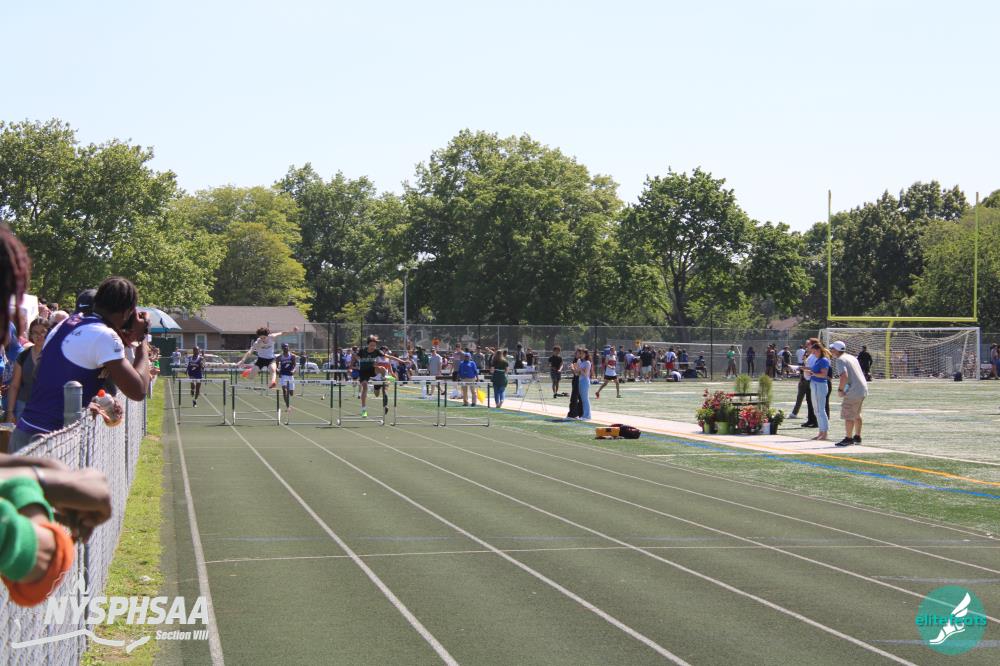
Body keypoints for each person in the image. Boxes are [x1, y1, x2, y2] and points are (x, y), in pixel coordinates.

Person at [13, 277, 152, 452]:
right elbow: (138, 391)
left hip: (25, 432)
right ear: (127, 312)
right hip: (52, 442)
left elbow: (38, 372)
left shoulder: (66, 323)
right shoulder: (105, 335)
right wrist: (142, 339)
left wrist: (83, 401)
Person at [6, 318, 49, 423]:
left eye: (43, 332)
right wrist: (10, 412)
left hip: (47, 406)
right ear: (31, 335)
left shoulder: (55, 355)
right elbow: (14, 385)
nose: (39, 335)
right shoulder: (23, 355)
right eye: (35, 332)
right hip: (24, 406)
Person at [829, 341, 869, 447]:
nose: (831, 350)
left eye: (832, 349)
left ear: (836, 350)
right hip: (862, 388)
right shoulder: (852, 357)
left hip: (853, 389)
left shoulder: (840, 360)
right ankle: (857, 436)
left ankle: (848, 438)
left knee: (848, 415)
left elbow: (844, 376)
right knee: (857, 414)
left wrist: (840, 390)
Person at [807, 342, 832, 441]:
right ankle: (821, 432)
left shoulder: (824, 360)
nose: (813, 354)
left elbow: (823, 374)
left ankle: (825, 433)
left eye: (814, 352)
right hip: (815, 384)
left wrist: (812, 373)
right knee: (816, 410)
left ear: (818, 350)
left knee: (821, 410)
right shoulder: (818, 360)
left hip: (820, 385)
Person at [277, 343, 297, 411]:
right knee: (284, 390)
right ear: (282, 348)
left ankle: (288, 403)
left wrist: (293, 370)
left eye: (287, 347)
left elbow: (295, 365)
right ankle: (288, 406)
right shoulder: (279, 357)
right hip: (283, 375)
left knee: (291, 393)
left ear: (288, 348)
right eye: (284, 347)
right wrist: (277, 370)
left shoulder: (292, 356)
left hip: (290, 376)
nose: (286, 348)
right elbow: (276, 366)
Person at [575, 349, 592, 419]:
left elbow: (586, 374)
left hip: (585, 381)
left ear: (586, 354)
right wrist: (575, 367)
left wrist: (580, 368)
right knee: (582, 399)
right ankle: (585, 415)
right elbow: (577, 373)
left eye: (582, 353)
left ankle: (587, 416)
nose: (581, 355)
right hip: (580, 381)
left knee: (585, 399)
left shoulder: (587, 362)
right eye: (580, 353)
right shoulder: (581, 362)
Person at [567, 349, 583, 418]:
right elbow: (575, 373)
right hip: (575, 379)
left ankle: (576, 414)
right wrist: (572, 368)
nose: (575, 354)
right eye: (575, 353)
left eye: (577, 353)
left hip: (580, 380)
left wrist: (573, 368)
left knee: (577, 397)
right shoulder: (575, 361)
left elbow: (577, 373)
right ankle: (575, 413)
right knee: (575, 397)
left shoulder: (582, 361)